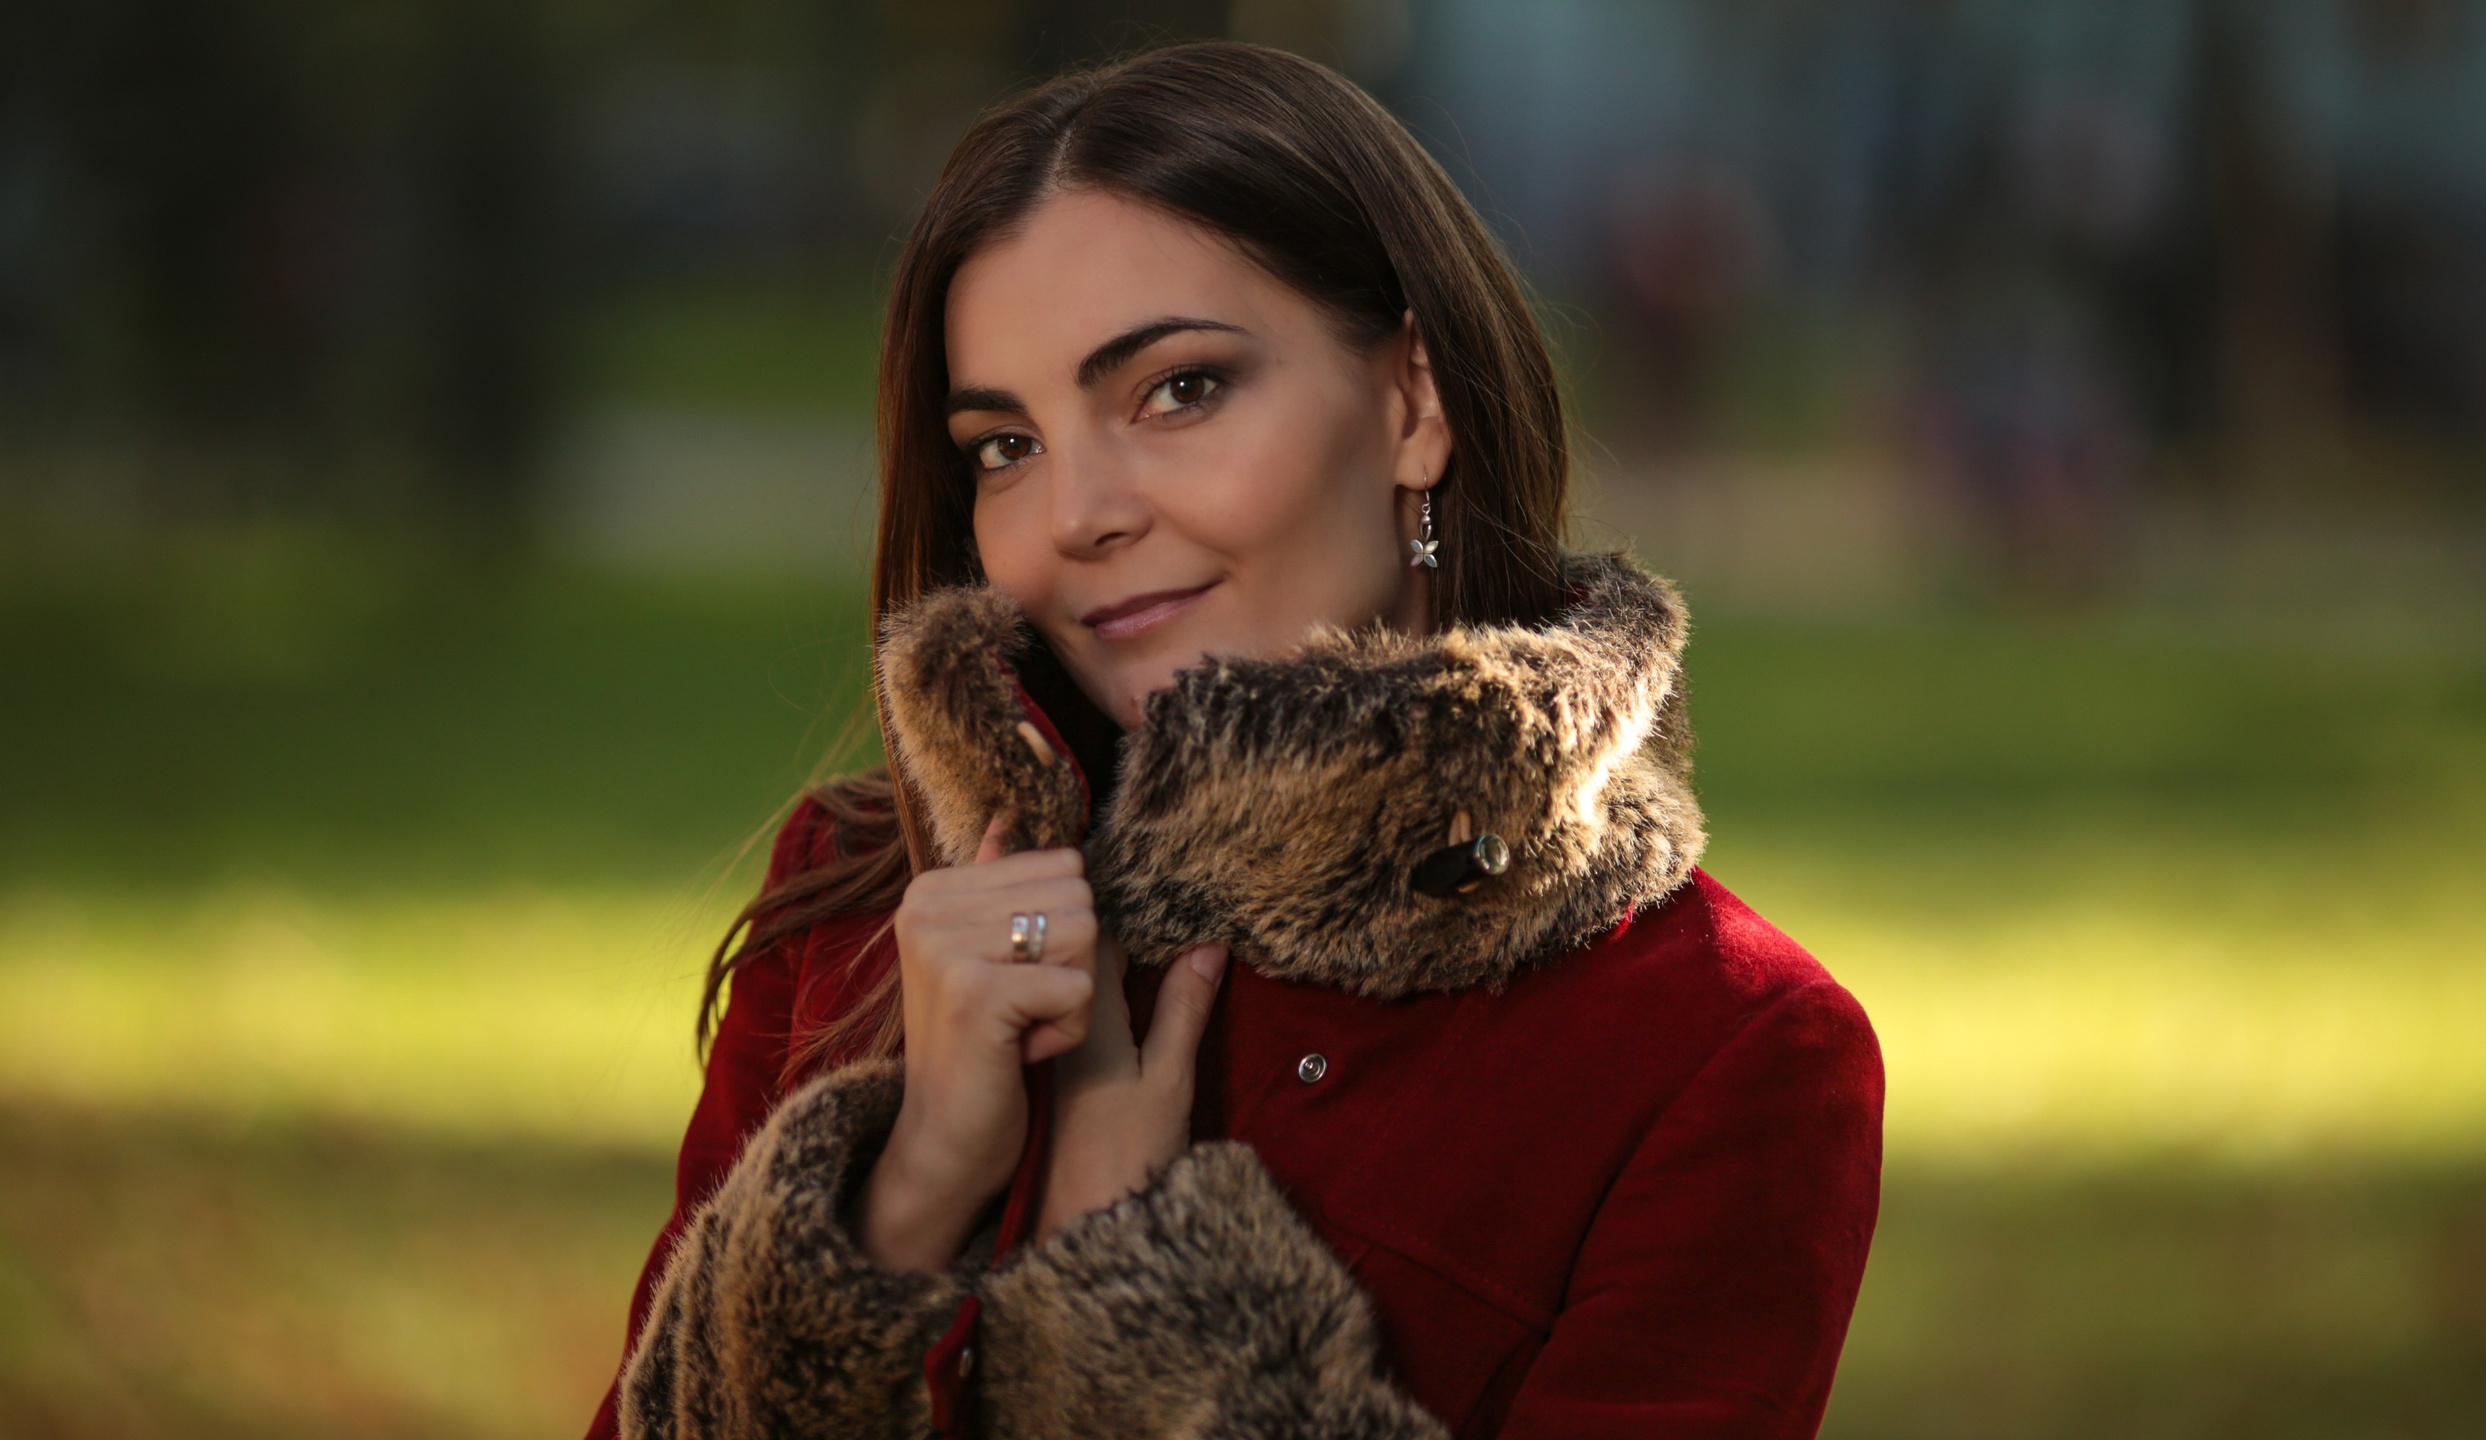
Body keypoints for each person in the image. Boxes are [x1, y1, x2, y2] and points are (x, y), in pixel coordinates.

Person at [588, 41, 1882, 1440]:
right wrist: (904, 1202)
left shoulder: (1721, 1054)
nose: (1075, 513)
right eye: (1004, 446)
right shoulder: (870, 915)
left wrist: (1146, 1307)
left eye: (1178, 390)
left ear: (1414, 402)